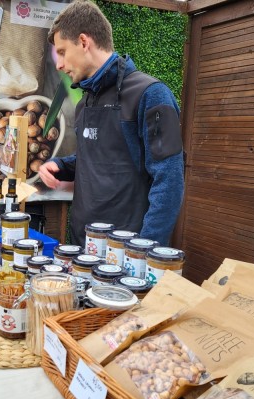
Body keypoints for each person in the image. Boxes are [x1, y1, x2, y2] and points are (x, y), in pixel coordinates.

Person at [38, 0, 184, 246]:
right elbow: (98, 156)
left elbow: (169, 181)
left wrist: (145, 252)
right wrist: (61, 165)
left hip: (128, 253)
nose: (59, 64)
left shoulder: (151, 95)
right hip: (82, 246)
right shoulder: (85, 102)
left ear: (84, 42)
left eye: (62, 52)